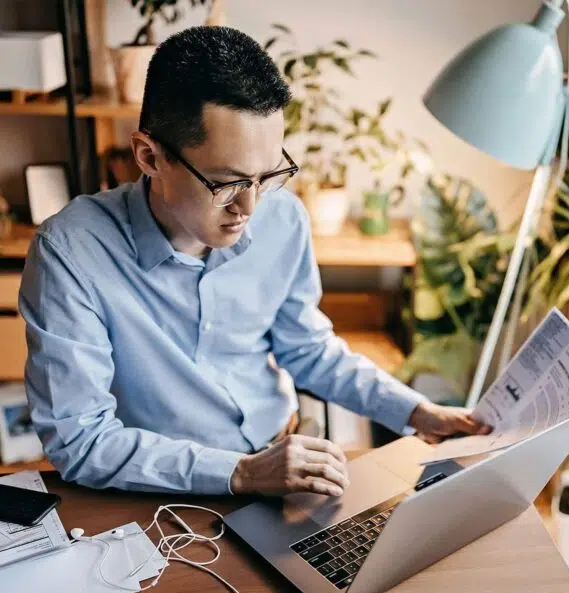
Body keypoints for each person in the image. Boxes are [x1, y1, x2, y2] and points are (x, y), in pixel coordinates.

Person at [19, 26, 490, 499]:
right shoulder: (71, 252)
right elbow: (80, 441)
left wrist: (415, 411)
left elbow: (306, 348)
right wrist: (242, 472)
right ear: (149, 157)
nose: (249, 208)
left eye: (268, 176)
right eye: (226, 183)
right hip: (157, 493)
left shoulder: (282, 218)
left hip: (284, 463)